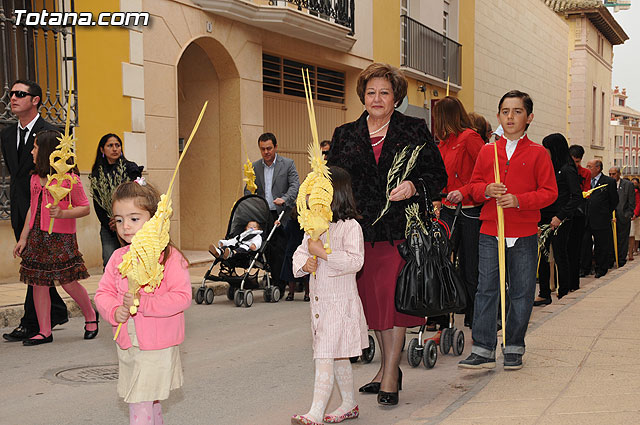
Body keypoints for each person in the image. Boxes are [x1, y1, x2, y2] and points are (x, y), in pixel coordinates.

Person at [327, 63, 447, 406]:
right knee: (375, 303)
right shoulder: (345, 133)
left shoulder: (414, 129)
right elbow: (332, 180)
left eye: (384, 92)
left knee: (394, 300)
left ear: (396, 97)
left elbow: (437, 175)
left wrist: (414, 185)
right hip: (358, 231)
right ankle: (385, 367)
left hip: (400, 230)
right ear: (362, 96)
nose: (377, 98)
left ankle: (391, 373)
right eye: (371, 92)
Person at [458, 90, 557, 371]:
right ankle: (483, 348)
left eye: (517, 111)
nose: (510, 116)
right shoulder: (488, 151)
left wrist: (519, 200)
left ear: (529, 117)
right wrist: (486, 190)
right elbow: (474, 187)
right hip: (491, 230)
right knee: (486, 289)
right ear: (499, 115)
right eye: (505, 111)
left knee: (522, 291)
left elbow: (550, 193)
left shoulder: (539, 153)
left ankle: (514, 346)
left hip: (524, 233)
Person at [95, 180, 191, 425]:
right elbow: (102, 293)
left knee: (141, 399)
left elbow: (181, 297)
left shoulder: (169, 258)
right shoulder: (118, 257)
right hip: (128, 342)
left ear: (155, 219)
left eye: (134, 219)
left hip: (157, 345)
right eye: (119, 220)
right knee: (147, 399)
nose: (125, 226)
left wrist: (144, 303)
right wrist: (114, 310)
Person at [291, 166, 368, 425]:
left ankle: (315, 412)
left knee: (324, 354)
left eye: (320, 191)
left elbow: (355, 261)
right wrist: (305, 264)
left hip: (340, 304)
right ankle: (348, 403)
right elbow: (300, 254)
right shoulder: (315, 226)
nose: (313, 197)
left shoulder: (351, 227)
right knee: (338, 355)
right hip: (320, 303)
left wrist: (324, 254)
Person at [12, 130, 97, 345]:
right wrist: (23, 238)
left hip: (61, 239)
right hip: (38, 238)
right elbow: (32, 209)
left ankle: (91, 316)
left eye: (35, 147)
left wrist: (62, 213)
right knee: (39, 284)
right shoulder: (34, 178)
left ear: (48, 152)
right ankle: (44, 331)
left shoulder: (69, 179)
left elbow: (85, 208)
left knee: (68, 282)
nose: (32, 151)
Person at [1, 79, 69, 342]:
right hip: (20, 208)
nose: (13, 98)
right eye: (12, 94)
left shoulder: (51, 132)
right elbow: (17, 175)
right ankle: (56, 310)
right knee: (36, 266)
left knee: (35, 267)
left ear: (35, 100)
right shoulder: (6, 134)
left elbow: (61, 173)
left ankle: (31, 323)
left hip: (46, 210)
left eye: (20, 94)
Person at [433, 96, 485, 329]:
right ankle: (441, 315)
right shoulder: (444, 142)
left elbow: (485, 171)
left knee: (470, 266)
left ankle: (475, 315)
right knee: (440, 261)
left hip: (470, 210)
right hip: (446, 209)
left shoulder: (470, 138)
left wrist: (464, 191)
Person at [245, 132, 300, 290]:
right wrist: (250, 202)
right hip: (264, 214)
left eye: (269, 148)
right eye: (262, 149)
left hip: (282, 214)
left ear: (275, 147)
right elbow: (249, 188)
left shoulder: (288, 164)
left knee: (281, 249)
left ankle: (281, 284)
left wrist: (285, 198)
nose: (266, 152)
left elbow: (295, 185)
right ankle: (274, 281)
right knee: (267, 248)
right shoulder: (254, 167)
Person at [535, 134, 582, 305]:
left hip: (560, 218)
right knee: (543, 255)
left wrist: (560, 216)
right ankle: (544, 293)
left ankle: (564, 292)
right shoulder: (550, 167)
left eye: (546, 148)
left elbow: (576, 197)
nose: (544, 151)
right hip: (545, 217)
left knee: (560, 255)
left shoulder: (568, 169)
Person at [90, 133, 143, 268]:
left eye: (117, 145)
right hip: (109, 227)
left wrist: (123, 220)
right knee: (110, 263)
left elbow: (138, 195)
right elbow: (98, 202)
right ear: (102, 149)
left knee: (132, 262)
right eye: (110, 145)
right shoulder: (97, 172)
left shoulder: (130, 168)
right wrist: (111, 222)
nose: (114, 149)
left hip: (130, 225)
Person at [580, 160, 618, 278]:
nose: (587, 169)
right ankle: (584, 268)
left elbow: (614, 201)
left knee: (601, 245)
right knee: (585, 244)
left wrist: (605, 212)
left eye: (589, 166)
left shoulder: (608, 182)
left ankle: (601, 269)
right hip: (586, 219)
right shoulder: (584, 181)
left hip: (601, 219)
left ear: (598, 168)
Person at [568, 145, 591, 288]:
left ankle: (574, 282)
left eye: (578, 161)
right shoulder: (566, 170)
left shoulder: (585, 173)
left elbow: (587, 190)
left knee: (576, 249)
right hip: (567, 212)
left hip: (579, 213)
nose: (575, 164)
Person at [609, 167, 635, 267]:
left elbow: (632, 202)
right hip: (611, 218)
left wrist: (627, 215)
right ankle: (611, 259)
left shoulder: (628, 185)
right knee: (610, 239)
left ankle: (621, 259)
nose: (611, 176)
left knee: (623, 240)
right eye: (610, 174)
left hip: (623, 217)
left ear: (619, 174)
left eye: (614, 174)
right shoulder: (608, 184)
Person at [630, 177, 640, 259]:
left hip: (636, 216)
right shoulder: (630, 192)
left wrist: (635, 214)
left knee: (636, 234)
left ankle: (635, 249)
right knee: (631, 234)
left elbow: (638, 204)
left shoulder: (637, 192)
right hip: (630, 215)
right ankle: (631, 250)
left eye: (635, 183)